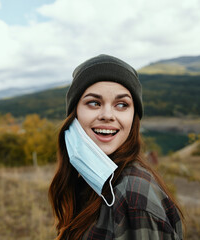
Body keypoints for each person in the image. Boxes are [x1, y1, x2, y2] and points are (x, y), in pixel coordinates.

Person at [48, 54, 184, 240]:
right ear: (75, 114)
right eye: (94, 103)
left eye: (122, 104)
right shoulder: (93, 181)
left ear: (133, 117)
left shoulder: (134, 198)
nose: (107, 115)